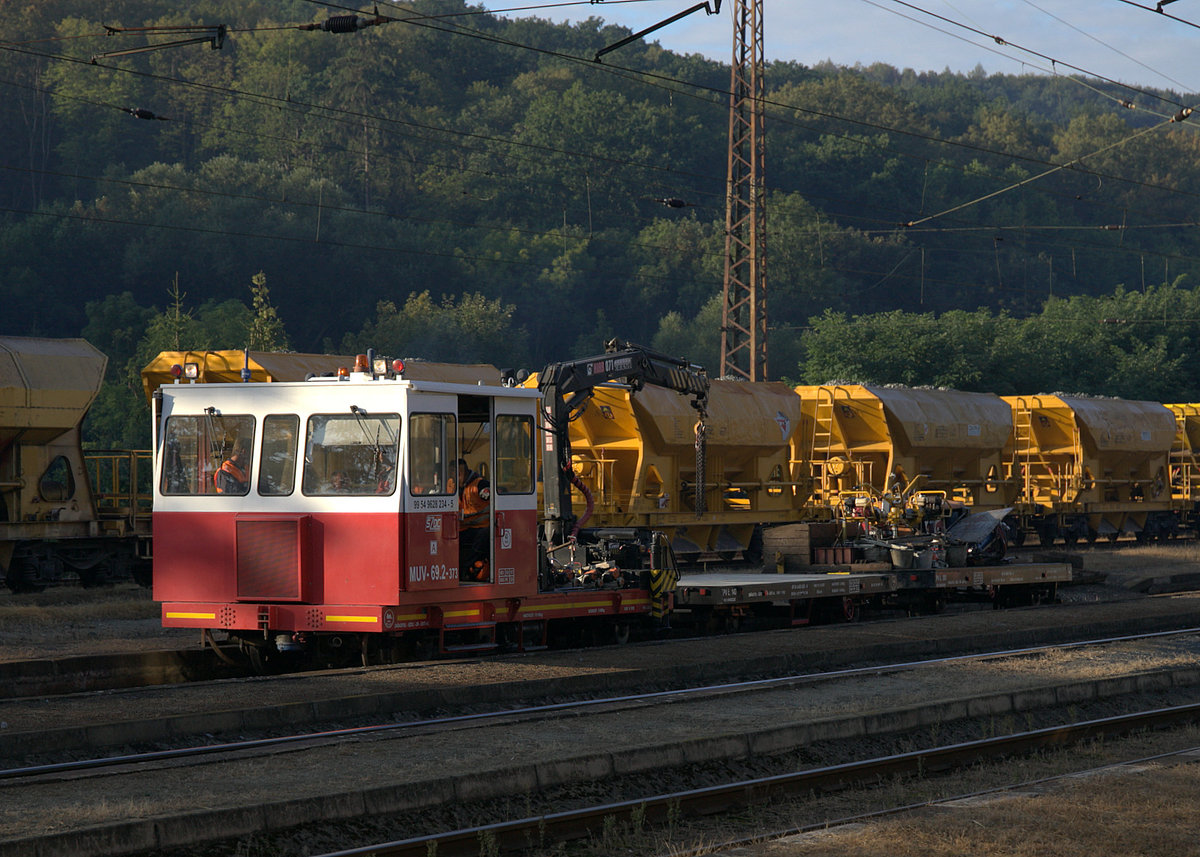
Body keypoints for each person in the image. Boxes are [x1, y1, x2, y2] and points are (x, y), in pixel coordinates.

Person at [456, 458, 490, 581]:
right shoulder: (452, 486)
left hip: (482, 526)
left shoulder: (480, 485)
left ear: (463, 473)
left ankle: (467, 568)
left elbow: (494, 499)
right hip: (463, 528)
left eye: (458, 474)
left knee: (483, 537)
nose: (455, 477)